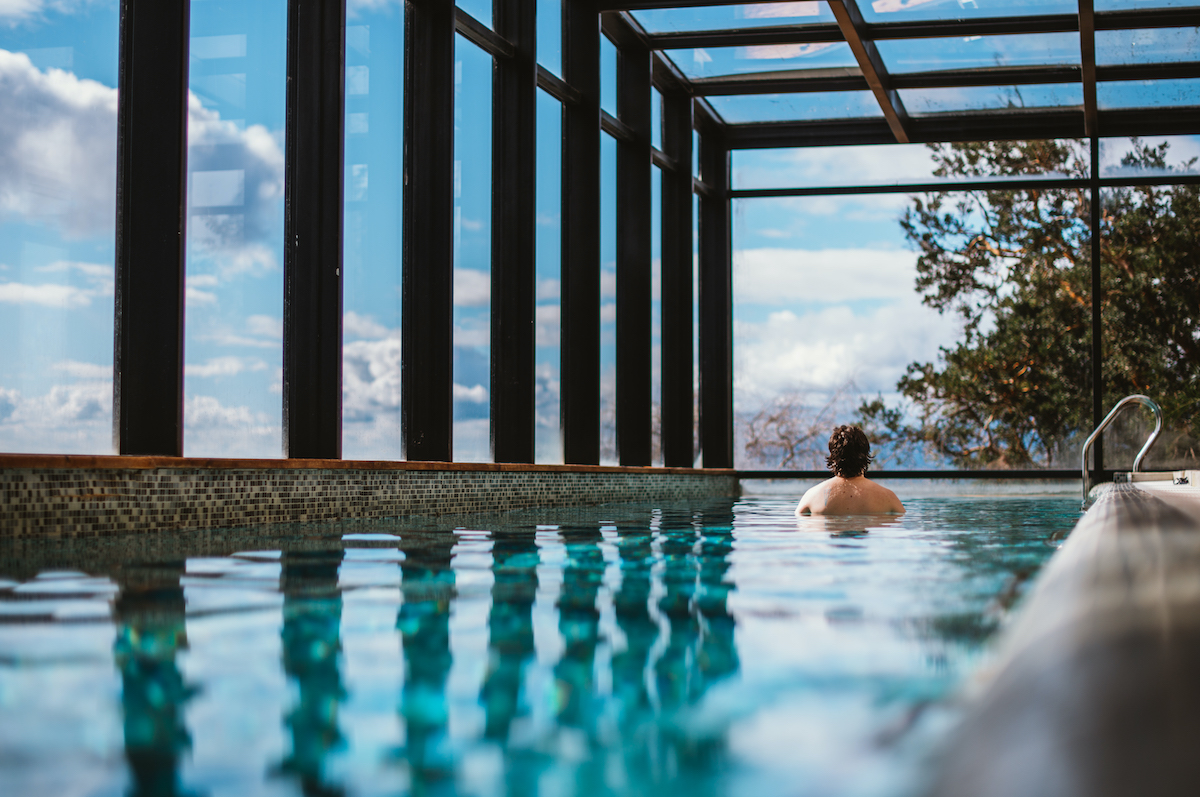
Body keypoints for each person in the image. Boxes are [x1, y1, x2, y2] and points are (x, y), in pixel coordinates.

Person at [795, 425, 904, 516]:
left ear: (833, 456)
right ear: (865, 455)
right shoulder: (888, 498)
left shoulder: (812, 496)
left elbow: (799, 527)